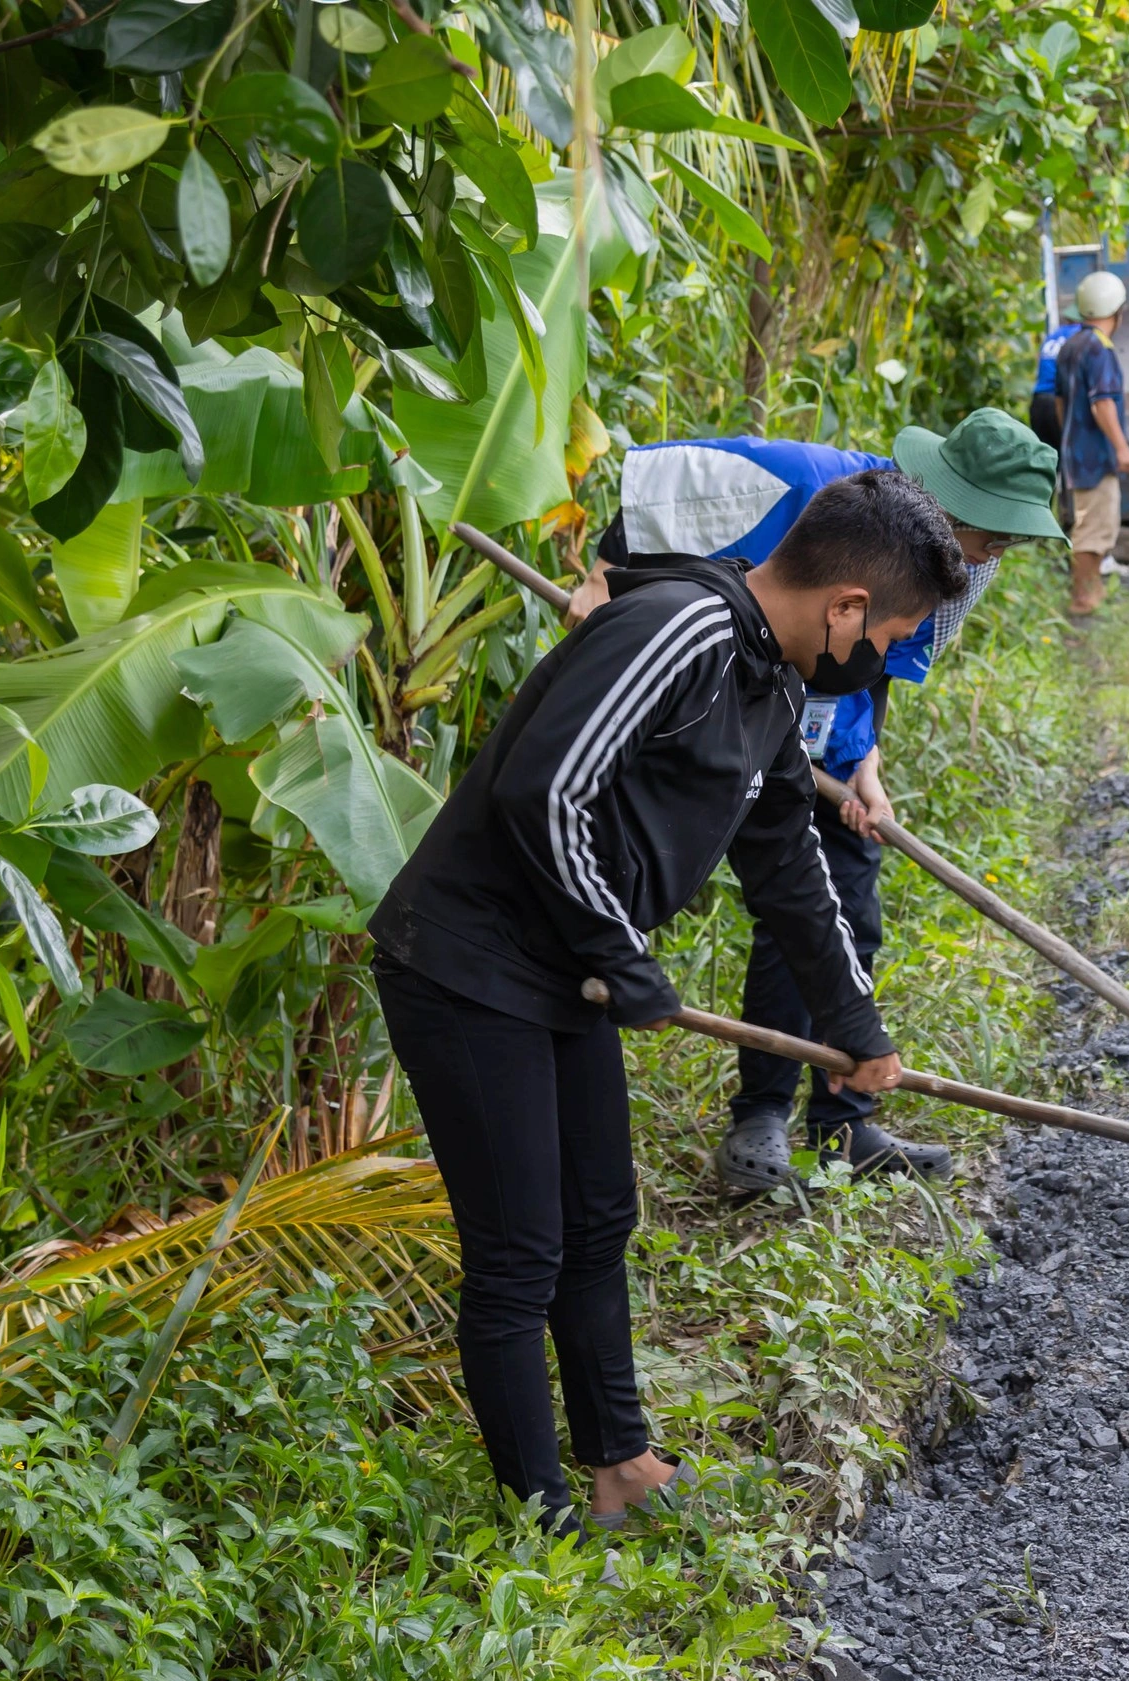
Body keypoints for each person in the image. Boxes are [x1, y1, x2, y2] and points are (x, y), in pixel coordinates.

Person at [371, 473, 967, 1534]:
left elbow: (787, 863)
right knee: (520, 1252)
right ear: (845, 611)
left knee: (598, 1220)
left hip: (567, 967)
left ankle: (619, 1460)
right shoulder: (676, 629)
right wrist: (622, 953)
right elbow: (541, 791)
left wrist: (854, 1028)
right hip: (468, 962)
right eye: (895, 634)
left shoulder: (773, 685)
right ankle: (540, 1518)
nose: (888, 658)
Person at [573, 412, 1064, 1193]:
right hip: (730, 712)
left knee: (848, 912)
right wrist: (602, 575)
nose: (995, 556)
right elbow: (669, 482)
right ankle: (760, 1117)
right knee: (790, 904)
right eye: (994, 538)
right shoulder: (816, 483)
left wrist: (866, 762)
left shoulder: (966, 562)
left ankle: (842, 1120)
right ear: (953, 502)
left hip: (823, 736)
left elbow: (880, 656)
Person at [1054, 269, 1129, 614]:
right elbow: (1102, 402)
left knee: (1089, 523)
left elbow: (1060, 402)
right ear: (1118, 310)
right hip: (1096, 455)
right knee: (1094, 528)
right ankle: (1083, 598)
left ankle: (1094, 592)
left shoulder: (1069, 345)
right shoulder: (1101, 349)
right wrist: (1121, 447)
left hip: (1074, 452)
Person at [1030, 302, 1083, 451]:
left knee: (1046, 459)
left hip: (1039, 402)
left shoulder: (1053, 336)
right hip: (1059, 403)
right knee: (1068, 456)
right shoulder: (1079, 335)